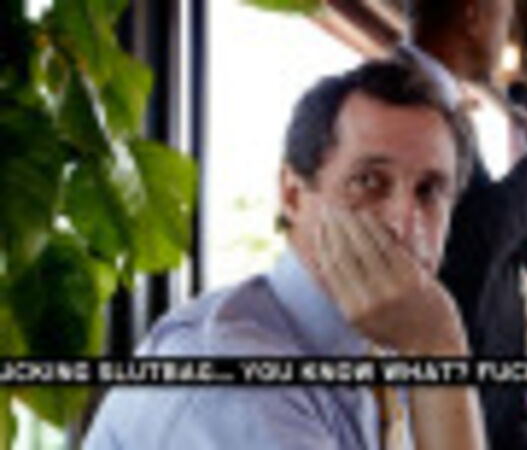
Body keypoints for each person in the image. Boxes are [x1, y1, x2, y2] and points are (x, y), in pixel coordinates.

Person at [84, 60, 487, 450]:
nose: (404, 222)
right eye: (369, 181)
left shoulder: (390, 355)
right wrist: (440, 345)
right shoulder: (226, 369)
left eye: (429, 191)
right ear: (292, 196)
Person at [405, 2, 527, 448]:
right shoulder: (403, 95)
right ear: (473, 16)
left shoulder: (446, 100)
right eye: (505, 20)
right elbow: (466, 244)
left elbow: (474, 223)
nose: (505, 36)